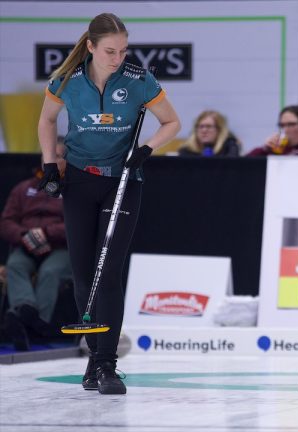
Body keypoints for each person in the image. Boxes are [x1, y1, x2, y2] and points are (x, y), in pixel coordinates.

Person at [37, 13, 181, 395]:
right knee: (85, 274)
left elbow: (172, 122)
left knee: (109, 271)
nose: (117, 58)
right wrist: (50, 163)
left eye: (123, 51)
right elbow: (47, 121)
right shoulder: (65, 81)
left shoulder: (138, 80)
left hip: (123, 182)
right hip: (80, 181)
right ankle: (94, 356)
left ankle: (107, 365)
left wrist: (147, 149)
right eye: (110, 51)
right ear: (90, 47)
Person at [0, 141, 71, 351]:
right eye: (47, 155)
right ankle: (26, 311)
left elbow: (80, 224)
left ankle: (32, 326)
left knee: (51, 271)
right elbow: (6, 222)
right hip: (27, 245)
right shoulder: (24, 188)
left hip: (61, 248)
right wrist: (25, 236)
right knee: (15, 265)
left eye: (57, 156)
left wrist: (47, 234)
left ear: (67, 161)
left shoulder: (74, 189)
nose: (50, 160)